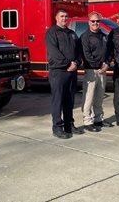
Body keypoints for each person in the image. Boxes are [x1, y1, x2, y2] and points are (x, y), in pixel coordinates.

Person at [45, 9, 83, 139]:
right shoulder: (51, 33)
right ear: (56, 18)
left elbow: (79, 51)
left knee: (69, 100)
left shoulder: (72, 33)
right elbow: (54, 52)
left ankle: (69, 125)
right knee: (58, 101)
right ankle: (57, 127)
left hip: (72, 72)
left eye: (66, 16)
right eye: (62, 16)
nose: (64, 18)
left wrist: (76, 63)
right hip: (58, 72)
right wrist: (68, 64)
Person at [80, 13, 113, 132]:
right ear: (89, 22)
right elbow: (86, 55)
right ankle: (87, 121)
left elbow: (109, 52)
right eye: (93, 21)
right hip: (91, 71)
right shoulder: (85, 37)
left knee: (99, 96)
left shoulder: (103, 36)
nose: (95, 23)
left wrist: (107, 64)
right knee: (89, 97)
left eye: (97, 21)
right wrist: (99, 66)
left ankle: (98, 119)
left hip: (102, 70)